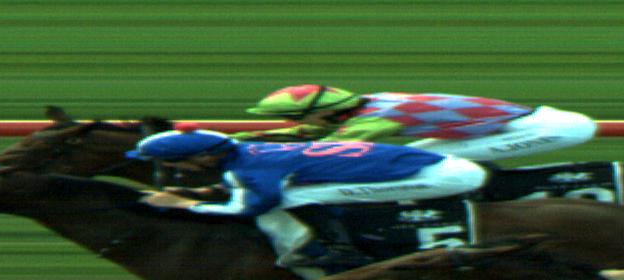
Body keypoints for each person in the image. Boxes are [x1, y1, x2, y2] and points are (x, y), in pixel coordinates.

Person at [122, 131, 490, 255]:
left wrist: (186, 202)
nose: (177, 170)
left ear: (203, 157)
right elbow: (251, 181)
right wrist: (208, 189)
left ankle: (333, 250)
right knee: (297, 189)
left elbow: (248, 208)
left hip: (449, 178)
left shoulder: (249, 167)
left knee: (291, 198)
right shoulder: (251, 149)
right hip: (437, 162)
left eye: (174, 164)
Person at [228, 84, 599, 163]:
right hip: (530, 120)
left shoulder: (374, 119)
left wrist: (248, 148)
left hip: (551, 128)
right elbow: (309, 133)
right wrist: (237, 139)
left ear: (323, 111)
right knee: (426, 152)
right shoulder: (369, 102)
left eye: (292, 114)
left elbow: (322, 148)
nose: (288, 121)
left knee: (440, 161)